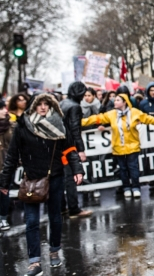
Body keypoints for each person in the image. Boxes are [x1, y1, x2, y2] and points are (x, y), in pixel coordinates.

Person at [0, 93, 84, 276]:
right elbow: (12, 156)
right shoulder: (23, 126)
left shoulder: (59, 123)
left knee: (55, 217)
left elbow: (70, 149)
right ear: (33, 106)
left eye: (47, 104)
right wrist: (4, 182)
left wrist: (77, 170)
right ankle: (34, 263)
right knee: (31, 221)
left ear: (52, 106)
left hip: (54, 177)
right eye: (40, 104)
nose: (43, 107)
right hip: (31, 180)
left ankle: (54, 250)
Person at [82, 94, 154, 198]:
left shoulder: (135, 113)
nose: (115, 102)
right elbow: (97, 119)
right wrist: (80, 122)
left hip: (133, 147)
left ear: (124, 102)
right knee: (122, 169)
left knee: (133, 168)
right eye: (115, 100)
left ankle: (136, 188)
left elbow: (149, 119)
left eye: (117, 100)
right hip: (118, 148)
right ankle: (126, 188)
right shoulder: (111, 114)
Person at [60, 82, 93, 219]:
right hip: (69, 147)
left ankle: (62, 208)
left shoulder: (63, 103)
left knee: (62, 179)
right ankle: (74, 209)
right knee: (70, 178)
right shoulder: (74, 107)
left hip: (59, 146)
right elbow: (75, 129)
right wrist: (80, 149)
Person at [0, 99, 14, 231]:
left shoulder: (11, 125)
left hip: (6, 165)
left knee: (4, 192)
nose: (5, 110)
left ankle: (3, 218)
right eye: (1, 108)